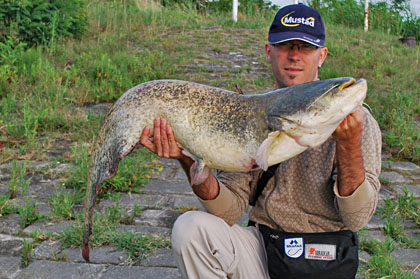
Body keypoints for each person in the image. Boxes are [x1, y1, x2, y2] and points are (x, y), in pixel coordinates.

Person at [140, 4, 381, 279]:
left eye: (304, 47)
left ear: (322, 55)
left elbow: (357, 218)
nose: (294, 56)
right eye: (284, 45)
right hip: (265, 251)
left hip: (325, 260)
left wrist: (349, 146)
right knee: (190, 229)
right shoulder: (247, 114)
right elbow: (229, 210)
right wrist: (186, 158)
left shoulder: (356, 122)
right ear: (269, 51)